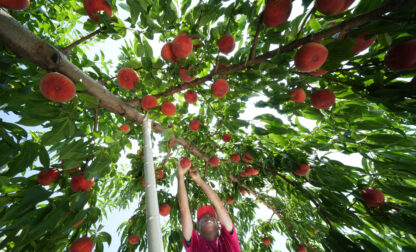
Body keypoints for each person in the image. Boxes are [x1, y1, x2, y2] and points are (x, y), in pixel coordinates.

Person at [177, 159, 241, 252]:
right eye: (203, 217)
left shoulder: (228, 240)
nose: (208, 217)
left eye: (211, 216)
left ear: (218, 226)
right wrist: (180, 176)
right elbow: (184, 211)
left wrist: (199, 181)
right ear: (198, 230)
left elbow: (219, 206)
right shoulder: (195, 244)